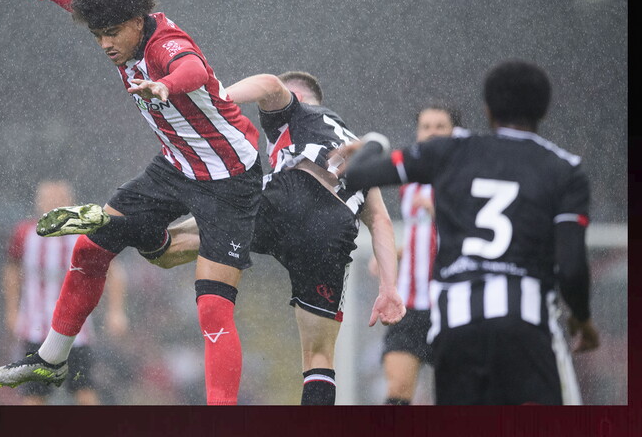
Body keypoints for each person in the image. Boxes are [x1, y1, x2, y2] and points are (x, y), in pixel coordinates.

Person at [0, 0, 263, 406]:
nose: (105, 44)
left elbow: (191, 67)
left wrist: (165, 85)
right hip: (175, 165)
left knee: (213, 305)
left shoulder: (165, 45)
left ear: (138, 19)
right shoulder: (119, 25)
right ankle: (50, 358)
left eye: (112, 33)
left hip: (230, 178)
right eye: (97, 35)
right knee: (91, 246)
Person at [333, 59, 600, 405]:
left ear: (488, 110)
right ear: (544, 110)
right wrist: (582, 318)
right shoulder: (565, 169)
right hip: (525, 326)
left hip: (458, 324)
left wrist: (374, 143)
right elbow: (573, 267)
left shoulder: (451, 152)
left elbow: (356, 175)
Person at [143, 71, 406, 405]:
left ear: (299, 94)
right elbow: (380, 219)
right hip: (334, 228)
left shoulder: (300, 110)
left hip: (294, 191)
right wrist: (389, 287)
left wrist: (214, 99)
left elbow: (269, 84)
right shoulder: (355, 146)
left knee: (172, 246)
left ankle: (137, 227)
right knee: (319, 357)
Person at [0, 180, 128, 405]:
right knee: (33, 396)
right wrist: (11, 310)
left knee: (85, 391)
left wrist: (116, 311)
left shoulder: (87, 234)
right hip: (36, 329)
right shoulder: (24, 234)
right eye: (47, 198)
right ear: (38, 202)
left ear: (70, 202)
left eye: (59, 198)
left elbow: (113, 271)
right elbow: (11, 270)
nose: (53, 203)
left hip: (76, 332)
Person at [369, 103, 463, 405]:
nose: (432, 133)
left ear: (454, 132)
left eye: (440, 126)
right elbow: (420, 234)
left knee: (454, 396)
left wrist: (440, 210)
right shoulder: (410, 180)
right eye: (426, 127)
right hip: (409, 304)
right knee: (397, 391)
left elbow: (476, 231)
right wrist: (392, 255)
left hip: (451, 305)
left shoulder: (466, 176)